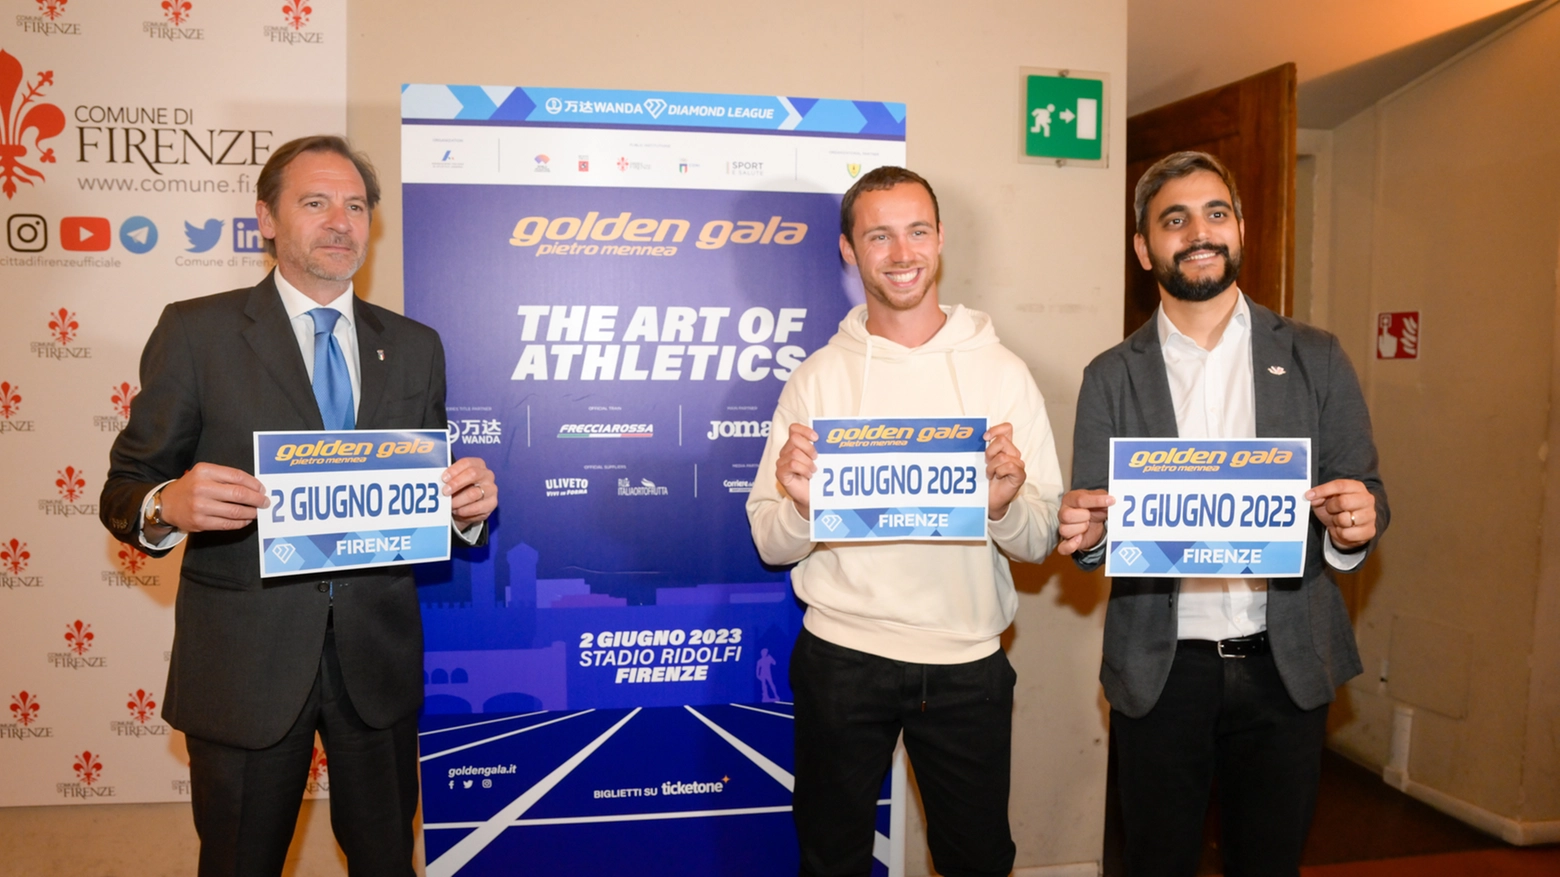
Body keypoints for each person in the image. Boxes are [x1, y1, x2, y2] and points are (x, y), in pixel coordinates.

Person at [99, 135, 497, 877]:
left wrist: (465, 508)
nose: (340, 221)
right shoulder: (197, 331)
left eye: (355, 205)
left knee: (385, 858)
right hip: (245, 664)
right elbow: (125, 488)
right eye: (315, 202)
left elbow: (414, 495)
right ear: (267, 220)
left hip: (374, 664)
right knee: (240, 861)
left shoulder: (415, 346)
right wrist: (168, 503)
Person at [1057, 151, 1388, 876]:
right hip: (1161, 670)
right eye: (1174, 219)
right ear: (1146, 248)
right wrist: (1084, 533)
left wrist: (1354, 527)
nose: (1198, 232)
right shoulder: (1110, 375)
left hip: (1286, 664)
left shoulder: (1315, 356)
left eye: (1215, 213)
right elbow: (1093, 520)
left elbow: (1365, 495)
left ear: (1241, 229)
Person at [747, 166, 1062, 877]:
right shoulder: (818, 377)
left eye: (917, 230)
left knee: (977, 860)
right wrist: (799, 508)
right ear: (848, 250)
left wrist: (1003, 504)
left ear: (941, 239)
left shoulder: (1003, 372)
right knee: (831, 860)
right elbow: (768, 538)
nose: (901, 252)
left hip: (966, 662)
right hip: (841, 658)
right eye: (878, 234)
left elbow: (1041, 537)